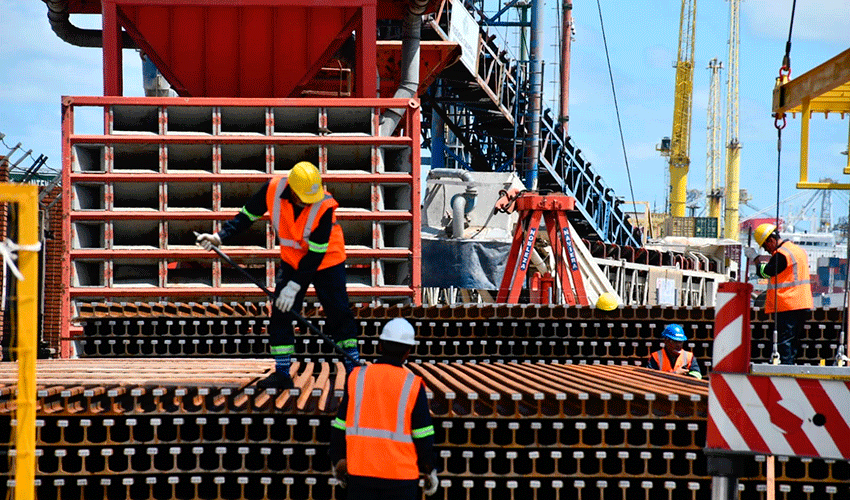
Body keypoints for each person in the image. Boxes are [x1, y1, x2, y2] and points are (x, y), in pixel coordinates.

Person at [196, 161, 359, 390]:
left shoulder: (324, 205)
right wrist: (220, 237)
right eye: (303, 198)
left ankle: (353, 367)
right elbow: (246, 216)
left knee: (338, 311)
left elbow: (314, 256)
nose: (307, 203)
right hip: (292, 258)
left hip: (326, 259)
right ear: (292, 189)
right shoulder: (272, 189)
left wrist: (293, 288)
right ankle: (282, 372)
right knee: (281, 313)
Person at [329, 318, 438, 499]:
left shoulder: (357, 378)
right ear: (408, 351)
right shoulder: (412, 384)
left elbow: (341, 424)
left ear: (380, 346)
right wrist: (430, 469)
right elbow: (423, 434)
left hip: (360, 475)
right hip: (400, 479)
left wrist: (338, 460)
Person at [747, 223, 812, 365]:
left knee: (784, 342)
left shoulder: (782, 254)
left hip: (788, 303)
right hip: (802, 302)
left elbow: (766, 271)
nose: (767, 251)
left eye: (765, 247)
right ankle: (791, 368)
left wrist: (755, 258)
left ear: (770, 240)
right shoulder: (797, 250)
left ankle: (785, 372)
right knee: (793, 340)